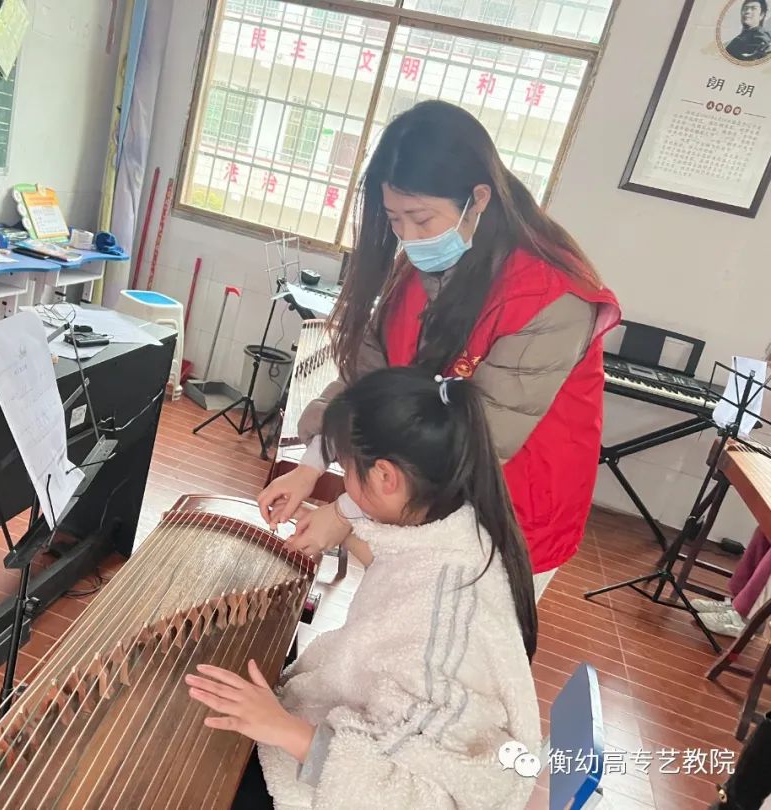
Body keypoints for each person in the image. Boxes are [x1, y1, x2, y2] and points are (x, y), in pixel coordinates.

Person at [258, 100, 620, 600]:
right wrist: (311, 464)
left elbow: (479, 440)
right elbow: (368, 379)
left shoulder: (551, 296)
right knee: (394, 617)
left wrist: (345, 513)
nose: (408, 238)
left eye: (421, 219)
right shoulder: (424, 263)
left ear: (478, 199)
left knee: (453, 637)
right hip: (419, 494)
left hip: (509, 510)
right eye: (395, 220)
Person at [186, 369, 541, 809]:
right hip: (336, 722)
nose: (344, 485)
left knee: (190, 760)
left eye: (347, 469)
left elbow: (427, 797)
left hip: (334, 783)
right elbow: (405, 571)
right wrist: (342, 531)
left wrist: (284, 730)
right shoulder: (457, 528)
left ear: (386, 477)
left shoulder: (447, 634)